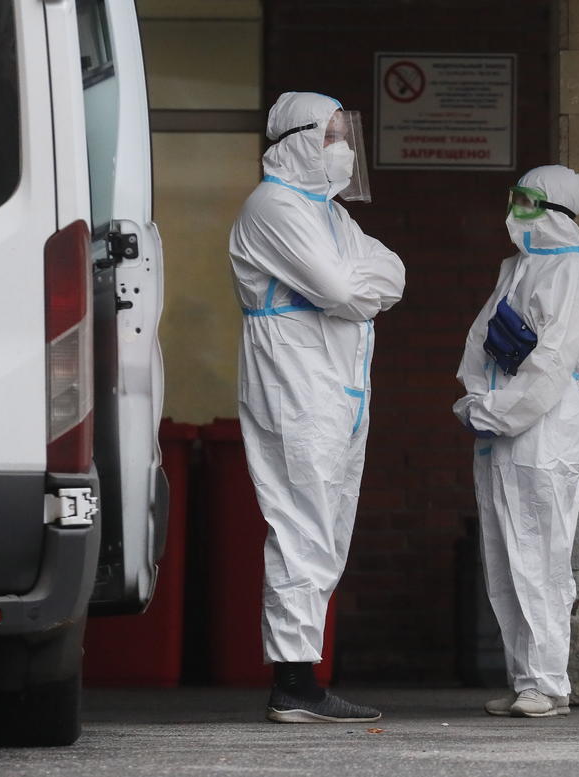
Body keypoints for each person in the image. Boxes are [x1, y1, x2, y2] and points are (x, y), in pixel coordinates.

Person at [228, 91, 405, 723]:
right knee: (301, 525)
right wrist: (351, 287)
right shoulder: (273, 207)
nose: (343, 147)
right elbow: (338, 290)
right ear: (298, 140)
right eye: (331, 135)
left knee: (327, 527)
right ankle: (294, 681)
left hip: (336, 388)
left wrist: (353, 286)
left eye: (343, 134)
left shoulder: (329, 215)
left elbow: (394, 273)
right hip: (296, 385)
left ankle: (303, 676)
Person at [452, 164, 579, 718]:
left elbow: (553, 362)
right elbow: (480, 343)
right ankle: (524, 679)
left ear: (556, 210)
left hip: (543, 427)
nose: (516, 211)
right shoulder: (516, 269)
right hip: (500, 428)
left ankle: (548, 680)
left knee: (542, 553)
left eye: (529, 201)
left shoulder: (572, 272)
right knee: (504, 557)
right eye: (515, 198)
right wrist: (477, 401)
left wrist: (497, 412)